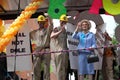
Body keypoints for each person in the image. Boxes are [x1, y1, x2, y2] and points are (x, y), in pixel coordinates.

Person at [30, 14, 53, 80]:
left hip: (46, 50)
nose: (41, 24)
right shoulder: (33, 33)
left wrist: (49, 17)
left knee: (46, 69)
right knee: (36, 68)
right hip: (37, 51)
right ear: (38, 23)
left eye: (43, 22)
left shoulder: (47, 30)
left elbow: (51, 25)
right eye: (40, 22)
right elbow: (25, 36)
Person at [50, 14, 68, 80]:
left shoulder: (66, 30)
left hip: (65, 52)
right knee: (59, 68)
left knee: (65, 68)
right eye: (62, 21)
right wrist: (60, 31)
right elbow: (52, 36)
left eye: (65, 22)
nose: (63, 23)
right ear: (60, 21)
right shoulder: (56, 28)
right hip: (59, 52)